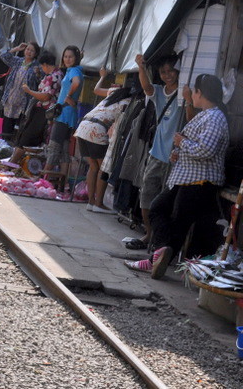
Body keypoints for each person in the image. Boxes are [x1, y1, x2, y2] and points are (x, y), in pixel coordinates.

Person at [126, 74, 228, 279]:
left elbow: (206, 150)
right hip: (185, 179)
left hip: (198, 182)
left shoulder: (215, 118)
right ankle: (160, 253)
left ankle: (156, 260)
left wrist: (182, 143)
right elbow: (197, 147)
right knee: (158, 208)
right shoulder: (205, 114)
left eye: (194, 92)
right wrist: (178, 152)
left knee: (177, 223)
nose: (192, 95)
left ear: (200, 93)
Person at [121, 54, 191, 250]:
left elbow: (190, 116)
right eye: (163, 72)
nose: (167, 75)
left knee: (165, 202)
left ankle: (160, 241)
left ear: (178, 72)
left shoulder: (185, 93)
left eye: (171, 71)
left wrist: (188, 99)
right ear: (159, 75)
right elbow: (146, 87)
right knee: (147, 196)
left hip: (176, 158)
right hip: (157, 154)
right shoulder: (159, 92)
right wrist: (141, 67)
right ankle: (149, 234)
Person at [74, 69, 133, 213]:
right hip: (97, 130)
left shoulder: (112, 94)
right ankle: (99, 204)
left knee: (93, 167)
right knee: (103, 169)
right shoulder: (129, 102)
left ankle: (91, 202)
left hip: (83, 126)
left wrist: (102, 77)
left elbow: (96, 89)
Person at [9, 50, 62, 164]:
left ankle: (12, 162)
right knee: (28, 137)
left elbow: (45, 97)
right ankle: (15, 162)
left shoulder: (53, 77)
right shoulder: (55, 74)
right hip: (41, 111)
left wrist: (29, 91)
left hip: (44, 111)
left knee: (27, 137)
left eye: (42, 67)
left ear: (45, 65)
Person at [44, 45, 84, 175]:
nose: (67, 59)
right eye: (65, 56)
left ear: (76, 58)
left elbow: (76, 82)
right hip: (69, 115)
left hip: (64, 115)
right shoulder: (74, 70)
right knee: (65, 150)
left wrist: (68, 96)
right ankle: (62, 183)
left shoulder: (74, 71)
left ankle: (44, 178)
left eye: (70, 57)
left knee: (54, 146)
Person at [0, 42, 41, 140]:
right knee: (7, 122)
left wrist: (38, 74)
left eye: (32, 51)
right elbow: (3, 56)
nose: (29, 52)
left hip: (24, 100)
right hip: (11, 96)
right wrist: (17, 48)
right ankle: (3, 145)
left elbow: (41, 80)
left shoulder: (37, 66)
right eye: (28, 49)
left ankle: (14, 147)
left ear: (36, 54)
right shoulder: (18, 61)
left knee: (19, 124)